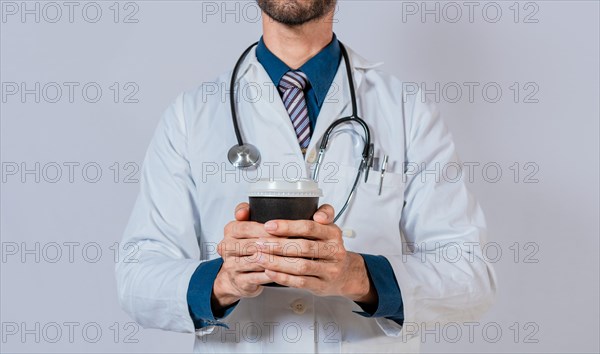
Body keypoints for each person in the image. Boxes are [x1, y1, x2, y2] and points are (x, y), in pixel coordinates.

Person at [116, 1, 496, 352]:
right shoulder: (190, 116)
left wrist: (359, 277)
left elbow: (471, 274)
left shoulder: (406, 111)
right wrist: (222, 282)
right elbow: (137, 276)